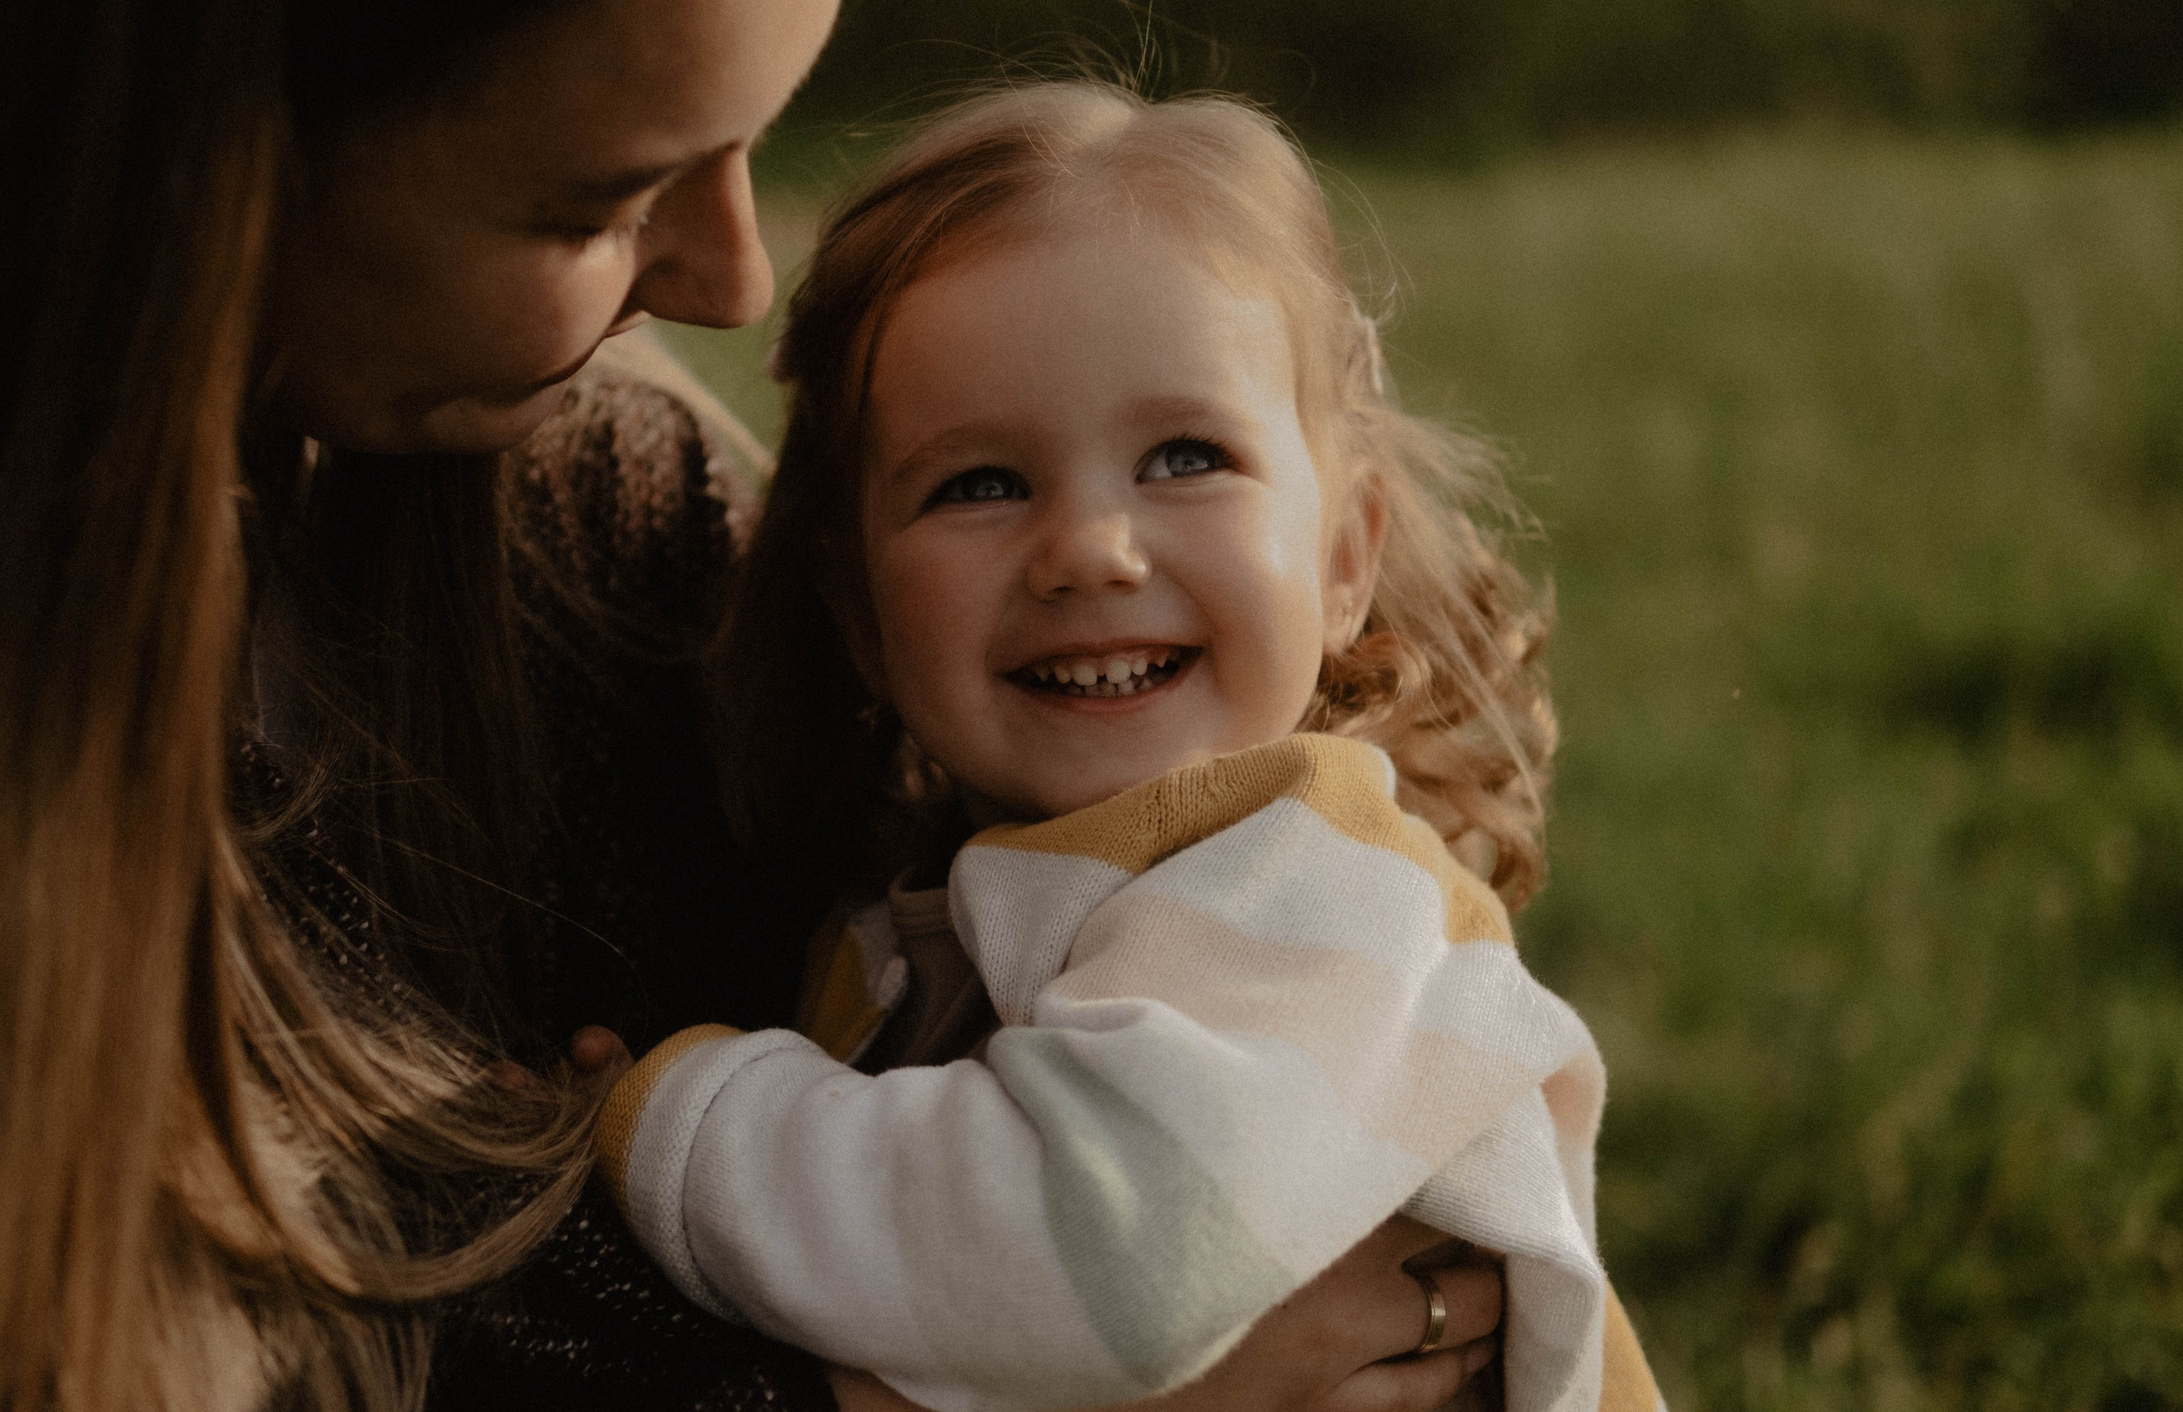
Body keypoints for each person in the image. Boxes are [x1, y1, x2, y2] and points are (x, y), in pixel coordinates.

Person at [0, 0, 1505, 1408]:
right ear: (186, 172)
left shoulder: (592, 514)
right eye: (597, 202)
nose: (728, 275)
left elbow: (1149, 874)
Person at [597, 83, 1664, 1412]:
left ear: (1344, 560)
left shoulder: (1310, 894)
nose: (1092, 551)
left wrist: (689, 1123)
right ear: (858, 611)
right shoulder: (970, 886)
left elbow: (1090, 1260)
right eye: (979, 484)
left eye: (1185, 457)